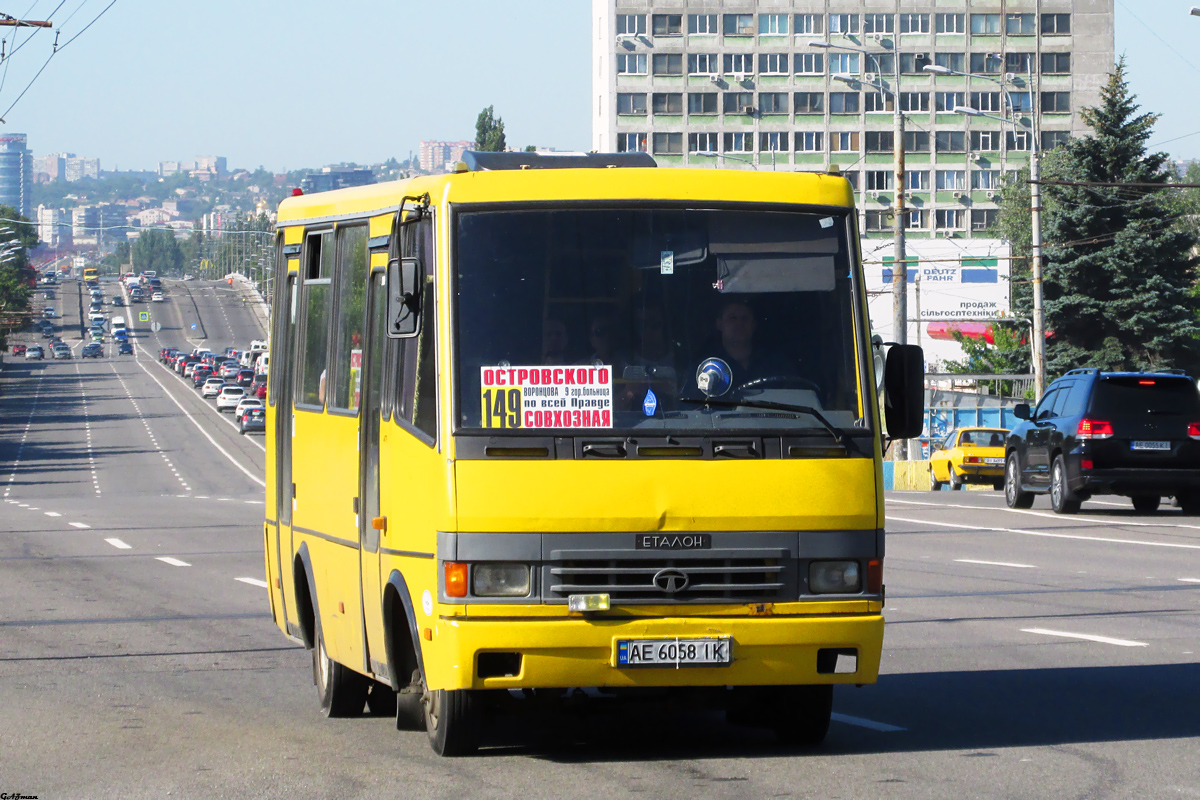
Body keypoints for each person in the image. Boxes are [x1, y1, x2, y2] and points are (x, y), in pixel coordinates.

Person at [702, 298, 795, 388]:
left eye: (745, 318)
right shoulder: (707, 367)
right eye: (733, 318)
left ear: (754, 325)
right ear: (719, 324)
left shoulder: (777, 363)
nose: (739, 323)